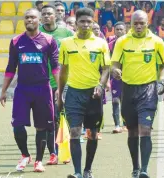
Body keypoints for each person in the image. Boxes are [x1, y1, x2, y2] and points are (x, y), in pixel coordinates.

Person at [0, 8, 59, 172]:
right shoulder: (16, 41)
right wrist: (3, 90)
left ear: (39, 20)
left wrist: (59, 89)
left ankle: (38, 161)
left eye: (33, 17)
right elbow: (10, 68)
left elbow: (55, 67)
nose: (29, 20)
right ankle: (25, 155)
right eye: (27, 18)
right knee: (17, 125)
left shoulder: (49, 40)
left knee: (42, 126)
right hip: (23, 89)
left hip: (43, 88)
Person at [111, 10, 164, 178]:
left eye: (141, 23)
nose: (138, 26)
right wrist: (115, 71)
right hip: (128, 90)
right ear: (130, 24)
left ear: (147, 23)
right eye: (135, 23)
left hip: (148, 90)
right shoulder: (122, 41)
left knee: (145, 130)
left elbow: (163, 65)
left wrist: (161, 82)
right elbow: (115, 63)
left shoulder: (157, 42)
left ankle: (144, 169)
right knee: (132, 131)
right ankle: (135, 168)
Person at [57, 8, 110, 178]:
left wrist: (101, 86)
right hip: (73, 93)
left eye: (89, 21)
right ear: (76, 23)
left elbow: (106, 68)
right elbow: (63, 70)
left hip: (93, 94)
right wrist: (60, 95)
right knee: (74, 131)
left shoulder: (101, 43)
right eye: (82, 21)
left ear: (93, 22)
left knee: (92, 134)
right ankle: (78, 172)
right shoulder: (66, 43)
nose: (86, 25)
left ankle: (88, 169)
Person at [39, 4, 74, 165]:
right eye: (44, 14)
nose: (46, 16)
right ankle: (53, 153)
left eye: (49, 14)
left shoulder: (66, 32)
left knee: (62, 116)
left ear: (56, 16)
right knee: (48, 120)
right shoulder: (36, 32)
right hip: (42, 82)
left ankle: (65, 151)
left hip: (63, 82)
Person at [107, 21, 127, 133]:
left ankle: (126, 123)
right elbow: (107, 59)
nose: (119, 31)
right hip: (115, 76)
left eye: (121, 29)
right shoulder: (110, 44)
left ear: (125, 31)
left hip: (128, 75)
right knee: (115, 100)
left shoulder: (130, 43)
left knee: (125, 100)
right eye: (117, 29)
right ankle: (117, 125)